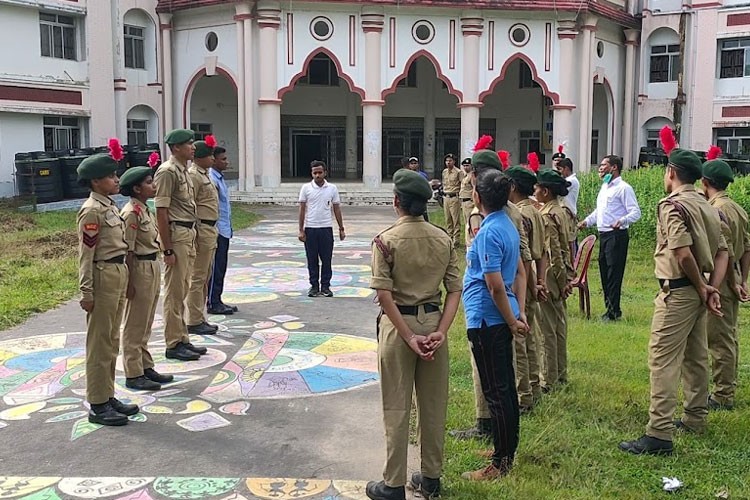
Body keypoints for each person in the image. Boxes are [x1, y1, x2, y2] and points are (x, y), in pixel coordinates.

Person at [619, 147, 728, 456]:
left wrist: (701, 286)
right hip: (698, 291)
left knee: (663, 359)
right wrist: (711, 288)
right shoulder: (709, 207)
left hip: (679, 291)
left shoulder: (672, 206)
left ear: (671, 172)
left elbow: (682, 253)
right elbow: (722, 252)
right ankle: (695, 416)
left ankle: (658, 433)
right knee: (695, 356)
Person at [366, 169, 461, 500]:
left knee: (396, 405)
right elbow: (453, 289)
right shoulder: (443, 238)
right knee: (433, 405)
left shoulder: (386, 240)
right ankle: (431, 477)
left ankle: (393, 484)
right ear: (425, 205)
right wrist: (442, 331)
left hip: (399, 327)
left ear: (396, 202)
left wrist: (408, 336)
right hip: (434, 322)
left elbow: (384, 296)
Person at [450, 143, 530, 441]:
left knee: (490, 377)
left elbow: (490, 279)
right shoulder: (511, 213)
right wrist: (518, 310)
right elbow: (522, 264)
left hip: (490, 308)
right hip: (511, 294)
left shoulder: (483, 219)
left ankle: (489, 427)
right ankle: (500, 431)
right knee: (506, 373)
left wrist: (511, 317)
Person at [461, 168, 528, 481]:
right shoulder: (507, 225)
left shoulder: (489, 232)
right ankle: (504, 448)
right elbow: (520, 274)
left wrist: (513, 319)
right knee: (504, 388)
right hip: (501, 315)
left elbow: (495, 285)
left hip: (488, 318)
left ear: (477, 197)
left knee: (496, 391)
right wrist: (519, 313)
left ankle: (501, 463)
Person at [76, 151, 140, 426]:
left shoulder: (110, 206)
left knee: (112, 340)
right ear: (95, 181)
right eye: (111, 176)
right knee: (99, 344)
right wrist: (86, 292)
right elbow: (86, 255)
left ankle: (108, 395)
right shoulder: (92, 210)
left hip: (116, 273)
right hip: (102, 276)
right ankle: (98, 404)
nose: (116, 180)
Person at [701, 156, 750, 411]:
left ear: (705, 181)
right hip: (735, 279)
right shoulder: (737, 208)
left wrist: (731, 281)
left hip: (723, 281)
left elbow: (727, 251)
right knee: (729, 337)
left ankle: (722, 395)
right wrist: (744, 280)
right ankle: (727, 386)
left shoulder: (716, 209)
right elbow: (747, 248)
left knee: (719, 340)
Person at [153, 129, 207, 362]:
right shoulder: (167, 172)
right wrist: (167, 248)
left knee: (183, 286)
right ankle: (173, 343)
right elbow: (161, 211)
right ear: (175, 148)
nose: (193, 147)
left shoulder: (183, 171)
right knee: (175, 291)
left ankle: (182, 337)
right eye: (188, 144)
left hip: (188, 232)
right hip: (176, 234)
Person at [119, 166, 174, 391]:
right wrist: (129, 283)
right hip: (139, 267)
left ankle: (145, 365)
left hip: (151, 264)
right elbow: (127, 251)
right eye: (149, 183)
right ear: (136, 188)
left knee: (147, 319)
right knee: (135, 323)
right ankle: (133, 373)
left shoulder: (144, 209)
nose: (154, 186)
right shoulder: (131, 212)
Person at [578, 155, 641, 321]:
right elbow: (600, 211)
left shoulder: (624, 188)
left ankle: (613, 312)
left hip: (616, 235)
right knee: (604, 271)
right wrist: (586, 221)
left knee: (614, 273)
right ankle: (610, 308)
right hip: (604, 235)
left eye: (603, 165)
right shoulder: (605, 187)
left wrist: (621, 220)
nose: (600, 168)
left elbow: (635, 212)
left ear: (614, 167)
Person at [506, 165, 547, 412]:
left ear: (512, 187)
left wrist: (532, 285)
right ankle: (533, 386)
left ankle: (524, 395)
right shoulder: (537, 211)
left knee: (520, 341)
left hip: (524, 280)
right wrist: (540, 282)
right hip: (533, 279)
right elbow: (542, 252)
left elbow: (527, 257)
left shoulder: (519, 214)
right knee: (531, 337)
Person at [535, 169, 576, 390]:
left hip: (550, 274)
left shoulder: (547, 217)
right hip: (560, 274)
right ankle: (561, 373)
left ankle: (549, 378)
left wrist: (561, 281)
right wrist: (569, 277)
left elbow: (554, 253)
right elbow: (568, 247)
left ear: (545, 191)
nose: (534, 191)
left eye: (537, 188)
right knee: (559, 325)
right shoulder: (563, 211)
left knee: (547, 328)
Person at [186, 137, 220, 335]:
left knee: (205, 275)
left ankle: (200, 316)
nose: (213, 159)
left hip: (210, 228)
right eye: (209, 156)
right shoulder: (194, 176)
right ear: (199, 157)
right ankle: (193, 319)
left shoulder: (205, 174)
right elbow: (191, 206)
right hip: (201, 229)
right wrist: (196, 233)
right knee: (197, 277)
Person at [298, 160, 345, 297]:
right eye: (315, 173)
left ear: (325, 172)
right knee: (312, 259)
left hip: (326, 228)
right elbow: (301, 209)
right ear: (311, 174)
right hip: (310, 228)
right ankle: (314, 286)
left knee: (326, 259)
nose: (317, 175)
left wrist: (341, 228)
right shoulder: (306, 188)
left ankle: (325, 286)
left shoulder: (332, 188)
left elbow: (336, 208)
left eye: (320, 172)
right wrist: (301, 230)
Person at [208, 147, 238, 315]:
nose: (227, 162)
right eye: (223, 159)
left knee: (221, 266)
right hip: (217, 230)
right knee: (216, 267)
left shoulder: (219, 178)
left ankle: (217, 299)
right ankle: (213, 302)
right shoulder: (212, 178)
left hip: (224, 229)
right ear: (214, 160)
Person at [441, 153, 463, 248]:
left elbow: (462, 185)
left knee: (455, 220)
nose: (448, 162)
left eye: (450, 160)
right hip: (446, 197)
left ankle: (456, 240)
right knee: (448, 219)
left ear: (454, 161)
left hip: (454, 197)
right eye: (447, 161)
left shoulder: (458, 172)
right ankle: (449, 238)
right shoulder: (444, 172)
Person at [459, 157, 474, 233]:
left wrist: (473, 201)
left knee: (470, 223)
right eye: (464, 166)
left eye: (467, 165)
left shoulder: (472, 176)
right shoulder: (465, 176)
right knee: (466, 223)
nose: (465, 167)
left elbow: (475, 188)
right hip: (463, 201)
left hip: (469, 202)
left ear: (471, 166)